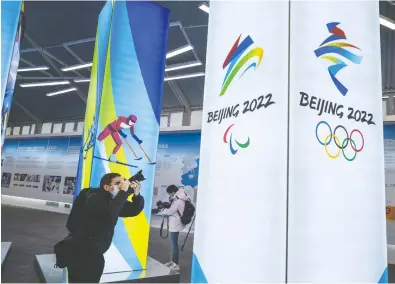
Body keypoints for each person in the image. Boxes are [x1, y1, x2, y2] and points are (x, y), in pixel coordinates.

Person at [64, 173, 144, 283]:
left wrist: (137, 195)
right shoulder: (93, 196)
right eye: (118, 183)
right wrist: (123, 193)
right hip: (82, 251)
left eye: (122, 182)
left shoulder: (111, 200)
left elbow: (133, 210)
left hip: (93, 251)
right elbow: (108, 215)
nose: (122, 185)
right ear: (106, 187)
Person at [164, 184, 188, 272]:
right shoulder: (179, 198)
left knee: (174, 245)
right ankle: (173, 261)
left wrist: (164, 209)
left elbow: (170, 211)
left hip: (175, 224)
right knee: (174, 244)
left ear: (173, 192)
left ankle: (176, 264)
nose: (170, 195)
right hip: (176, 223)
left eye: (170, 194)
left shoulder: (178, 200)